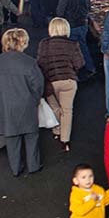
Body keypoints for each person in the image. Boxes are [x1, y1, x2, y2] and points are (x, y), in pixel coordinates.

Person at [0, 28, 44, 177]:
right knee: (31, 136)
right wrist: (35, 99)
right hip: (26, 104)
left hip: (4, 105)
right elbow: (38, 85)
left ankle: (16, 168)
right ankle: (34, 165)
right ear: (22, 42)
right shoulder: (30, 62)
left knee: (11, 137)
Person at [38, 17, 85, 152]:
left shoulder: (44, 44)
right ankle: (65, 140)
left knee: (54, 108)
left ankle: (57, 129)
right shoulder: (72, 44)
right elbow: (80, 63)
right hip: (68, 81)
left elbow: (40, 63)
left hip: (50, 82)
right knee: (67, 111)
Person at [56, 0, 95, 77]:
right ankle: (90, 67)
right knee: (83, 45)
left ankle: (76, 70)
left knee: (72, 49)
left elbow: (60, 11)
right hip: (83, 24)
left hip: (71, 25)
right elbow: (89, 6)